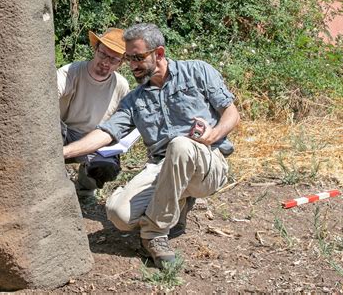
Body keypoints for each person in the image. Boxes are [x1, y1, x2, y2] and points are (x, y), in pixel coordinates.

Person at [63, 23, 240, 268]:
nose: (132, 65)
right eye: (128, 59)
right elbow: (106, 133)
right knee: (118, 214)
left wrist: (213, 135)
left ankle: (154, 234)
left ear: (158, 53)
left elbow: (231, 112)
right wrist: (63, 153)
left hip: (207, 163)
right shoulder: (134, 99)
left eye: (138, 57)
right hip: (161, 167)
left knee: (180, 145)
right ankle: (177, 202)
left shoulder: (198, 71)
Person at [58, 28, 130, 197]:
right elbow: (47, 93)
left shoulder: (121, 86)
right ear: (95, 49)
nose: (106, 62)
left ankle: (85, 189)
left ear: (121, 63)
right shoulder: (72, 72)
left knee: (107, 167)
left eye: (114, 59)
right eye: (103, 54)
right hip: (64, 133)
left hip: (96, 140)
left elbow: (123, 122)